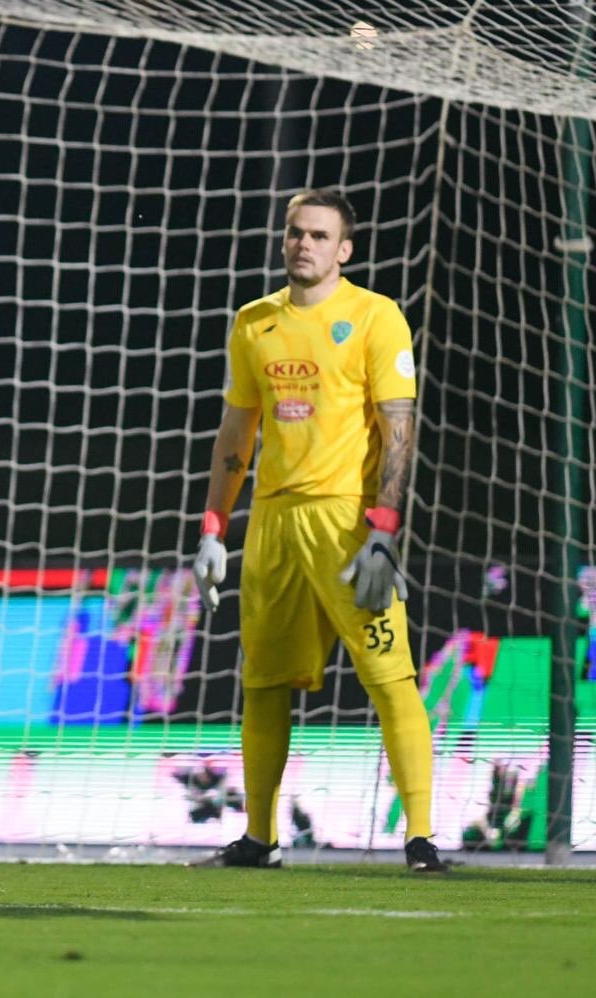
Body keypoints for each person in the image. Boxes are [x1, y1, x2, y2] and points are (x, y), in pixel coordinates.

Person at [191, 189, 446, 873]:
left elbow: (398, 429)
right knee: (264, 683)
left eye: (318, 235)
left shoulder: (375, 317)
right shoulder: (255, 323)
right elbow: (237, 432)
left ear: (344, 249)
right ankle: (259, 838)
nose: (303, 244)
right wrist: (213, 528)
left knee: (391, 676)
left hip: (346, 524)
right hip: (272, 522)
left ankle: (420, 837)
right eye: (295, 233)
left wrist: (384, 529)